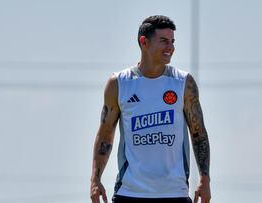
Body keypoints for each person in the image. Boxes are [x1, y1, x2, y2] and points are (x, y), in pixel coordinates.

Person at [90, 15, 211, 203]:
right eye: (163, 41)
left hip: (174, 193)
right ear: (144, 42)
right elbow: (105, 134)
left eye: (172, 42)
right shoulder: (119, 83)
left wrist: (205, 179)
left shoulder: (183, 82)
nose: (170, 47)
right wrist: (95, 179)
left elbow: (199, 134)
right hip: (129, 193)